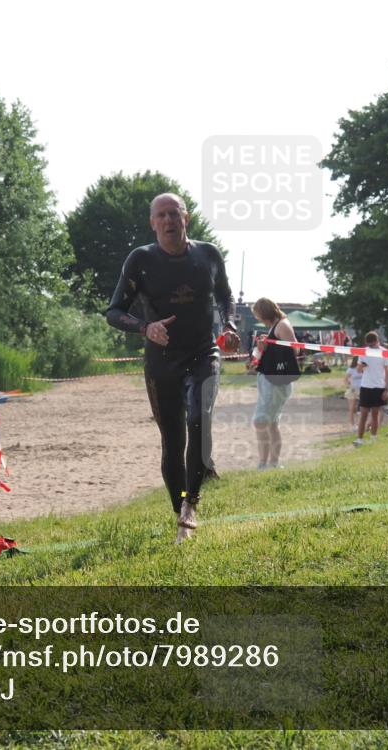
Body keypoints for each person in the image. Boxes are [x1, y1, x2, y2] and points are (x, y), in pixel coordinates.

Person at [106, 193, 238, 543]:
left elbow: (225, 297)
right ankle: (179, 508)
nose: (168, 220)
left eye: (174, 214)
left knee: (200, 419)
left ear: (186, 218)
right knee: (173, 442)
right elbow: (114, 311)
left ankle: (192, 506)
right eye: (161, 215)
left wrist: (229, 326)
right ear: (153, 223)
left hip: (202, 352)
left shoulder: (207, 255)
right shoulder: (141, 260)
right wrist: (144, 327)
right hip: (162, 359)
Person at [251, 298, 296, 470]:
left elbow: (294, 350)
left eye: (258, 315)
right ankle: (272, 463)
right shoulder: (276, 325)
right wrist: (264, 347)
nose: (258, 319)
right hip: (271, 380)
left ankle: (265, 463)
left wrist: (268, 347)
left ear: (264, 313)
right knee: (271, 423)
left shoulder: (283, 325)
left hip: (277, 381)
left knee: (260, 421)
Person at [354, 332, 386, 446]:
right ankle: (359, 439)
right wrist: (361, 366)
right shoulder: (363, 351)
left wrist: (387, 388)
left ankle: (373, 437)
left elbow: (387, 370)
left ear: (378, 341)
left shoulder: (384, 352)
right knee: (363, 414)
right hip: (366, 385)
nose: (372, 347)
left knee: (375, 414)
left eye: (374, 345)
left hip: (378, 385)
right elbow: (358, 370)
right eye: (370, 345)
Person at [344, 357, 362, 432]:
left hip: (362, 390)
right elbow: (345, 380)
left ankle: (359, 424)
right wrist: (350, 386)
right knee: (352, 408)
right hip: (353, 390)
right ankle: (352, 424)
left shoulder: (362, 369)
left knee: (361, 408)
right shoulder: (351, 369)